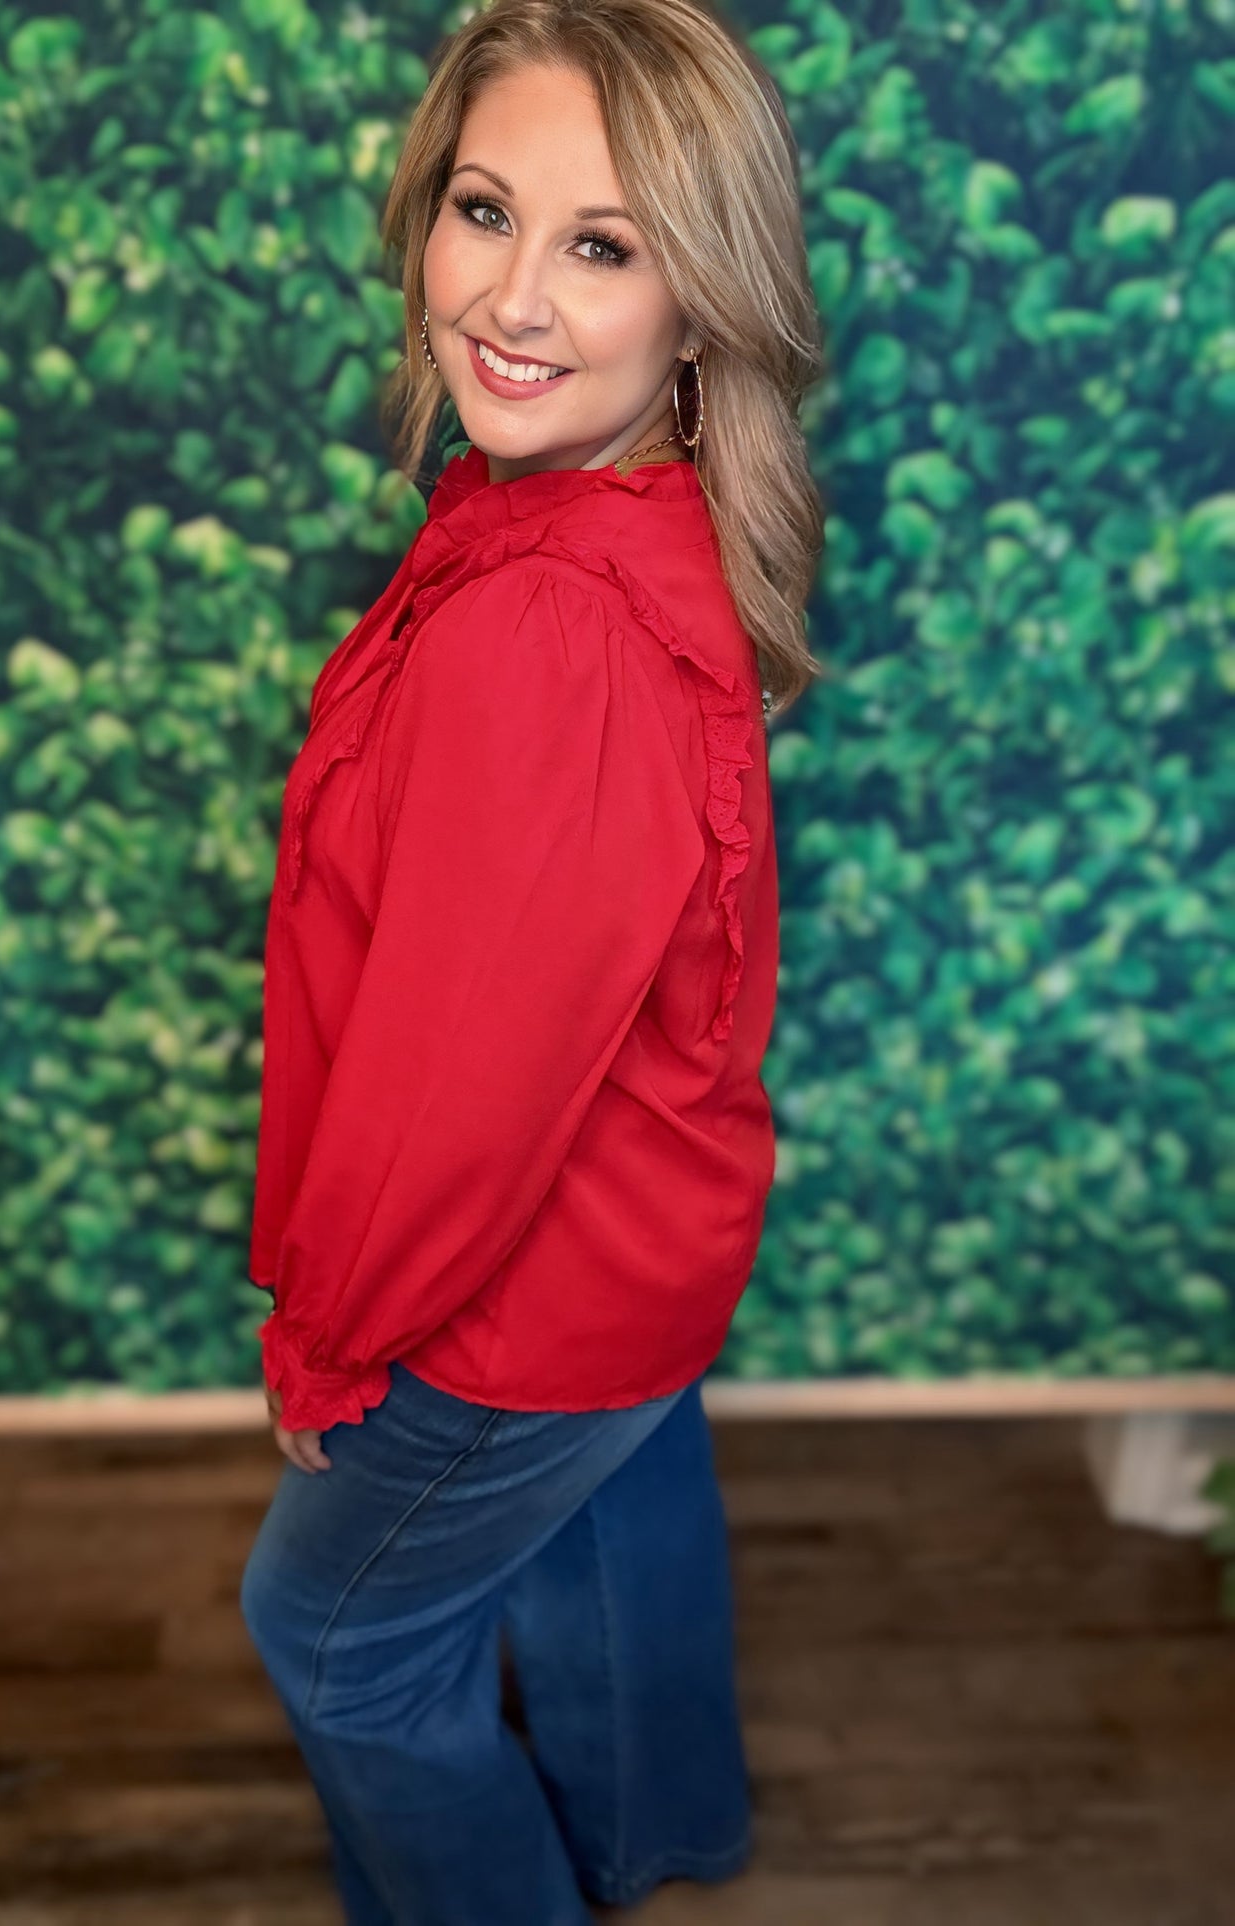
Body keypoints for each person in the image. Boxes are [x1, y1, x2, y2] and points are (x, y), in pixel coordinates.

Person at [239, 2, 824, 1919]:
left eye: (602, 243)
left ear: (701, 301)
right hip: (647, 1243)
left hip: (525, 1283)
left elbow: (457, 1085)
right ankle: (660, 1843)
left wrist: (331, 1327)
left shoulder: (547, 631)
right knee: (617, 1493)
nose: (509, 295)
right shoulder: (587, 518)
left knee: (332, 1633)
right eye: (484, 209)